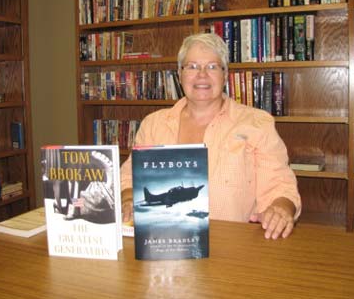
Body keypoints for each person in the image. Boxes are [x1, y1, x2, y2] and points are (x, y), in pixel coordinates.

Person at [120, 33, 301, 239]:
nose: (202, 75)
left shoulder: (257, 123)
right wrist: (127, 198)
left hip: (235, 250)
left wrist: (280, 209)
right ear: (180, 75)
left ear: (225, 75)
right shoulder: (153, 124)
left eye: (213, 66)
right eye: (192, 66)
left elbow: (281, 186)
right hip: (164, 245)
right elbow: (129, 178)